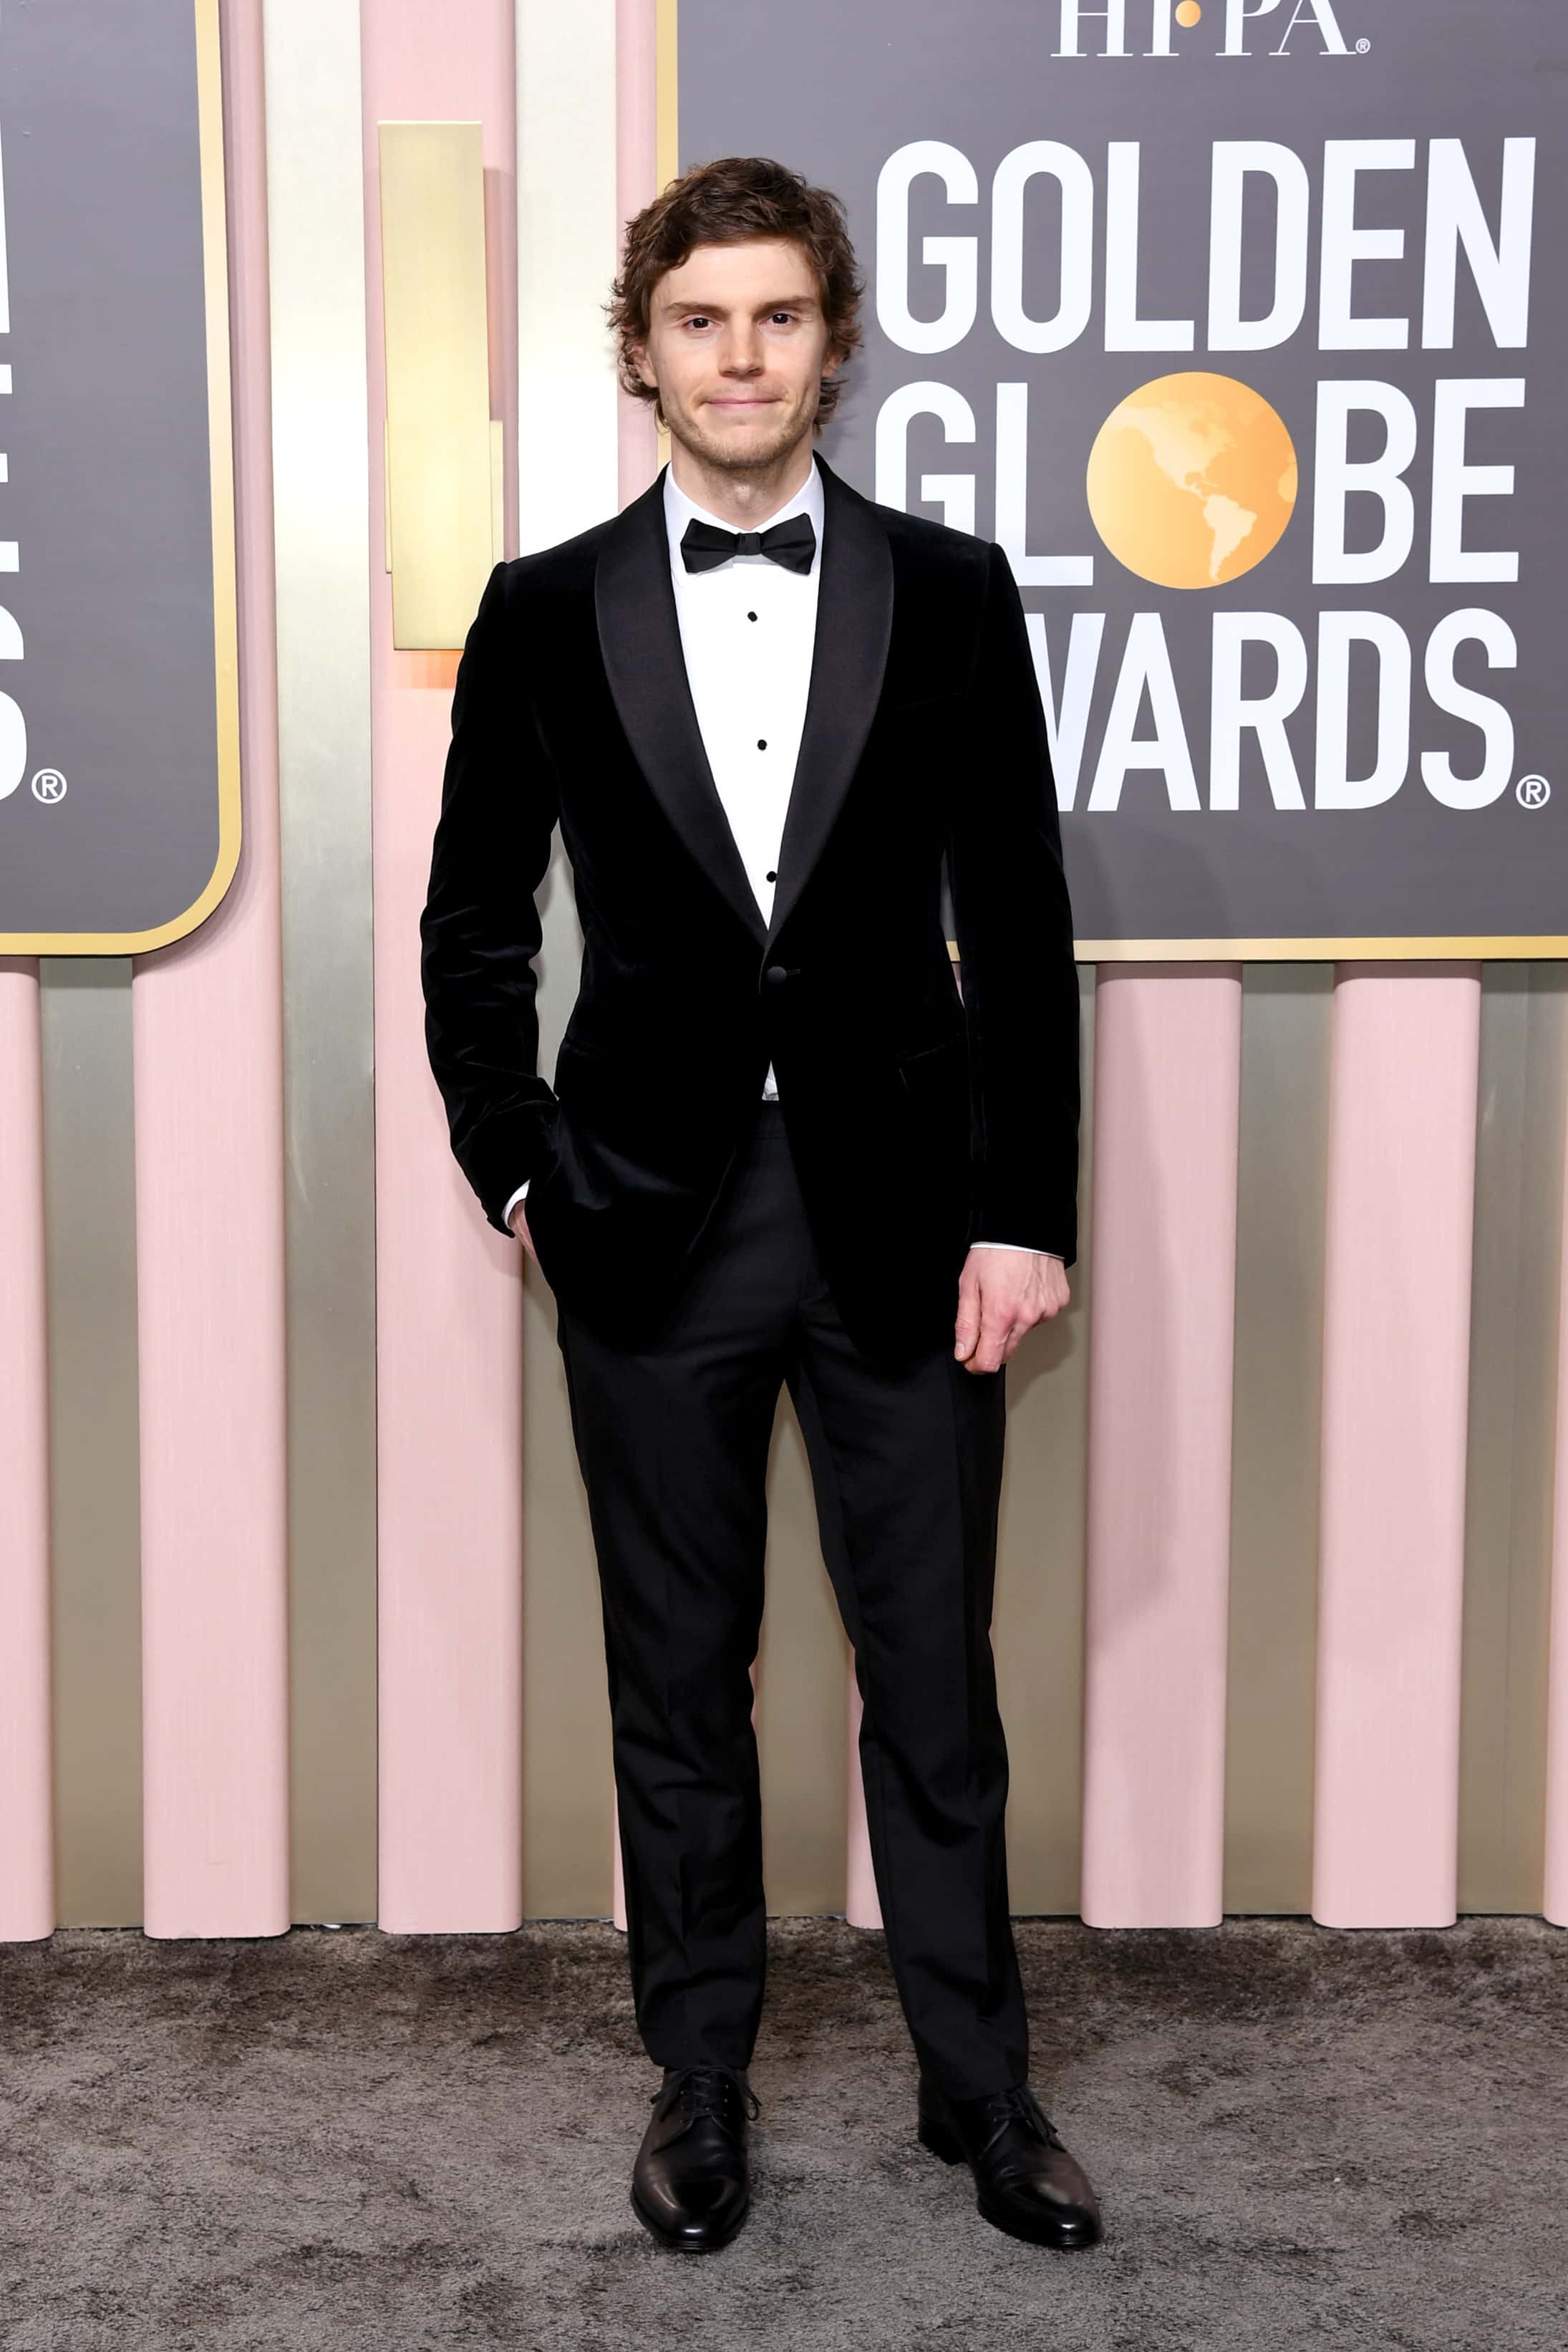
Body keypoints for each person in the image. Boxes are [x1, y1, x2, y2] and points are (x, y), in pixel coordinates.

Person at [420, 154, 1099, 2256]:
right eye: (702, 319)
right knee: (677, 1673)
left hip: (905, 1215)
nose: (741, 354)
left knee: (933, 1671)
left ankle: (980, 2094)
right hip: (645, 1218)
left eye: (779, 316)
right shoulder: (542, 605)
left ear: (831, 340)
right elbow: (469, 932)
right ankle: (698, 2082)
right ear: (646, 350)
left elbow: (1022, 925)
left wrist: (1025, 1208)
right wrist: (519, 1162)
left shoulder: (956, 587)